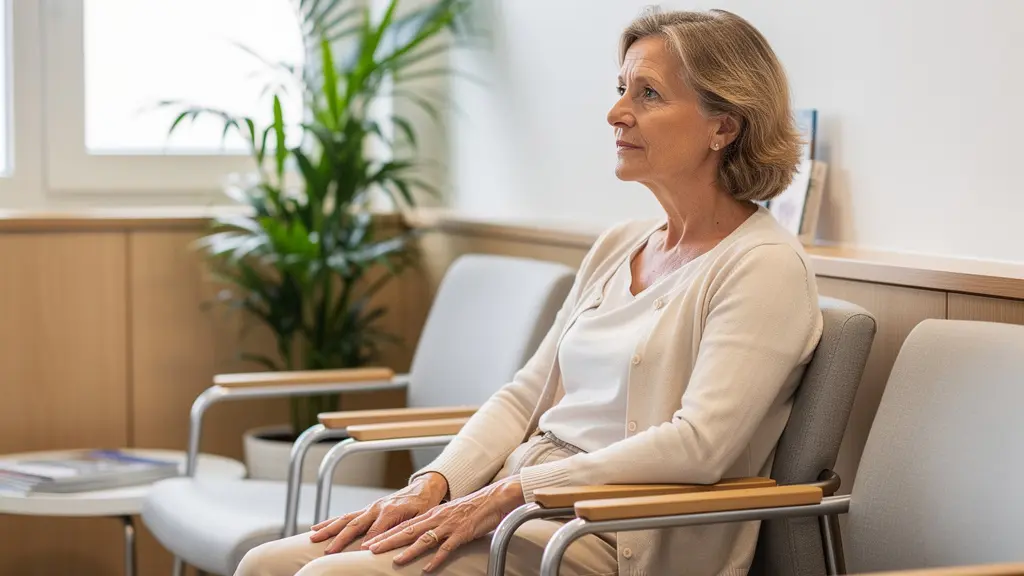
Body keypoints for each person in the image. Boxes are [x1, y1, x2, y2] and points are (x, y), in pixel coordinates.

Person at [236, 7, 823, 576]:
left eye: (648, 94)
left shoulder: (762, 266)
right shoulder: (620, 244)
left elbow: (699, 446)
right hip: (525, 503)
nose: (617, 112)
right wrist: (436, 484)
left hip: (617, 531)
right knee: (264, 564)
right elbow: (524, 398)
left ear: (724, 125)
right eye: (621, 88)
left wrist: (511, 493)